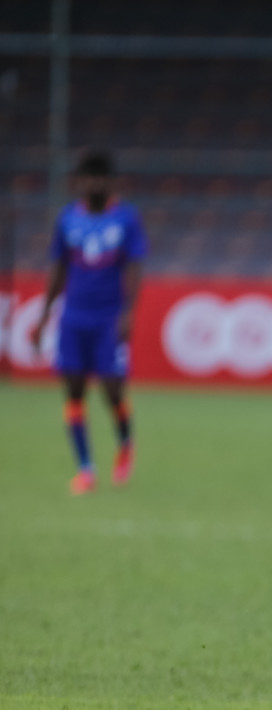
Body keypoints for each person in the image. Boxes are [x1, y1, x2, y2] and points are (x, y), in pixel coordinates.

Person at [29, 151, 146, 494]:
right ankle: (86, 468)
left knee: (112, 388)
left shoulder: (126, 218)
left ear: (110, 182)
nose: (93, 183)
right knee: (74, 390)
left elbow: (135, 267)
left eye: (99, 177)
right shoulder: (67, 219)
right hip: (74, 317)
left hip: (108, 317)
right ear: (78, 182)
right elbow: (58, 268)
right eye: (87, 177)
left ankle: (125, 444)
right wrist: (44, 315)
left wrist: (128, 312)